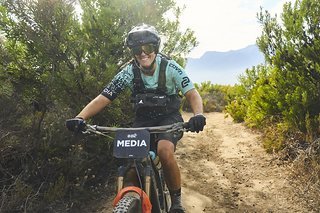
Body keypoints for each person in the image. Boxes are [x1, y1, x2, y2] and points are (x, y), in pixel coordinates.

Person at [66, 24, 206, 213]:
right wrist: (80, 117)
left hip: (168, 118)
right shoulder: (129, 72)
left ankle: (176, 202)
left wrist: (198, 115)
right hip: (143, 120)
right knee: (130, 161)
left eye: (147, 48)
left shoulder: (171, 68)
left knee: (164, 151)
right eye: (136, 50)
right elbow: (103, 98)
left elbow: (192, 94)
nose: (142, 53)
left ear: (155, 49)